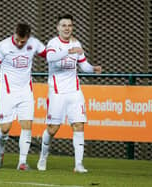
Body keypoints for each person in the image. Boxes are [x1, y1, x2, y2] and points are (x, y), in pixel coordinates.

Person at [37, 14, 102, 173]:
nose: (67, 28)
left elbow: (83, 65)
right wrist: (68, 50)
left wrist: (93, 69)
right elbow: (50, 58)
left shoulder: (76, 43)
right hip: (57, 92)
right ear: (58, 28)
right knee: (52, 129)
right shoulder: (53, 43)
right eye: (63, 25)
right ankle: (43, 157)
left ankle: (78, 164)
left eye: (69, 25)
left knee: (78, 125)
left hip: (74, 91)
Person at [0, 23, 46, 170]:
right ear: (14, 34)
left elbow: (49, 54)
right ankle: (1, 151)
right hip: (8, 92)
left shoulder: (34, 43)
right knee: (5, 128)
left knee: (27, 125)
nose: (20, 43)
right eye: (18, 40)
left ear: (28, 37)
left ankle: (22, 162)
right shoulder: (3, 46)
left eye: (23, 41)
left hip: (26, 91)